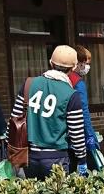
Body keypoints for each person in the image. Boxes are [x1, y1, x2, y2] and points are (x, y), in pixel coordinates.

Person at [10, 45, 87, 179]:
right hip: (57, 158)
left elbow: (14, 120)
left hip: (28, 157)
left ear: (50, 63)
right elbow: (77, 134)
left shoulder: (29, 84)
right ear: (73, 68)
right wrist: (82, 159)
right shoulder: (71, 95)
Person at [67, 46, 103, 171]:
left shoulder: (62, 80)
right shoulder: (78, 83)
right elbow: (83, 111)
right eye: (86, 63)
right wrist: (90, 136)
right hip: (76, 136)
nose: (87, 67)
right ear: (78, 63)